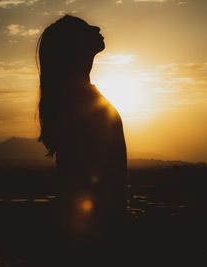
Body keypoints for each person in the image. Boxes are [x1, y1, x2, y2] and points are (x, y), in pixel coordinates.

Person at [36, 15, 128, 240]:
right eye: (86, 28)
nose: (97, 27)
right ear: (73, 46)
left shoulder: (74, 96)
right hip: (96, 232)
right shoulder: (79, 101)